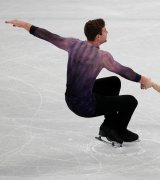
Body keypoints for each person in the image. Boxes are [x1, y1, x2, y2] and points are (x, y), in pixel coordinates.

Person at [5, 19, 152, 146]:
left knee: (113, 82)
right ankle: (119, 130)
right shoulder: (102, 56)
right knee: (131, 101)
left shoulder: (73, 44)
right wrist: (143, 79)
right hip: (85, 106)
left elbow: (49, 36)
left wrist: (24, 24)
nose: (107, 32)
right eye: (105, 30)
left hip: (70, 99)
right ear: (98, 36)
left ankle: (109, 127)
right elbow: (123, 70)